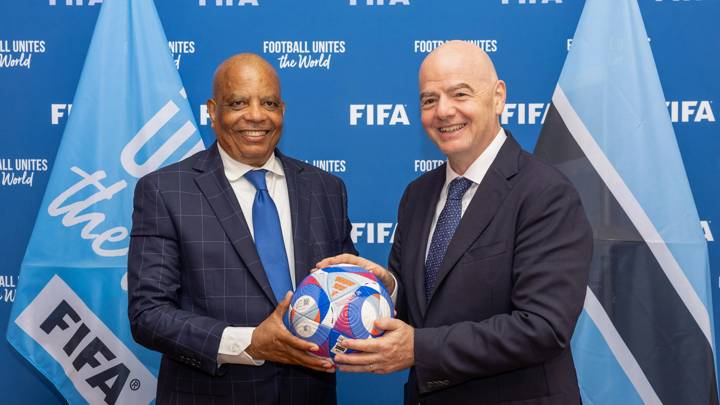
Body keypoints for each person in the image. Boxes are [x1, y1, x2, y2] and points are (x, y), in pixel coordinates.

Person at [318, 41, 593, 404]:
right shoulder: (417, 195)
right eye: (429, 100)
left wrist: (418, 349)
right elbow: (425, 311)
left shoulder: (545, 193)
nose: (443, 111)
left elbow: (542, 327)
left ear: (498, 97)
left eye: (459, 94)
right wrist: (388, 290)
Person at [128, 53, 356, 404]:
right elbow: (149, 314)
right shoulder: (166, 191)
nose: (256, 116)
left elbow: (345, 291)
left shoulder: (326, 189)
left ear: (282, 110)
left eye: (269, 103)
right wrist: (249, 342)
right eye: (238, 103)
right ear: (212, 110)